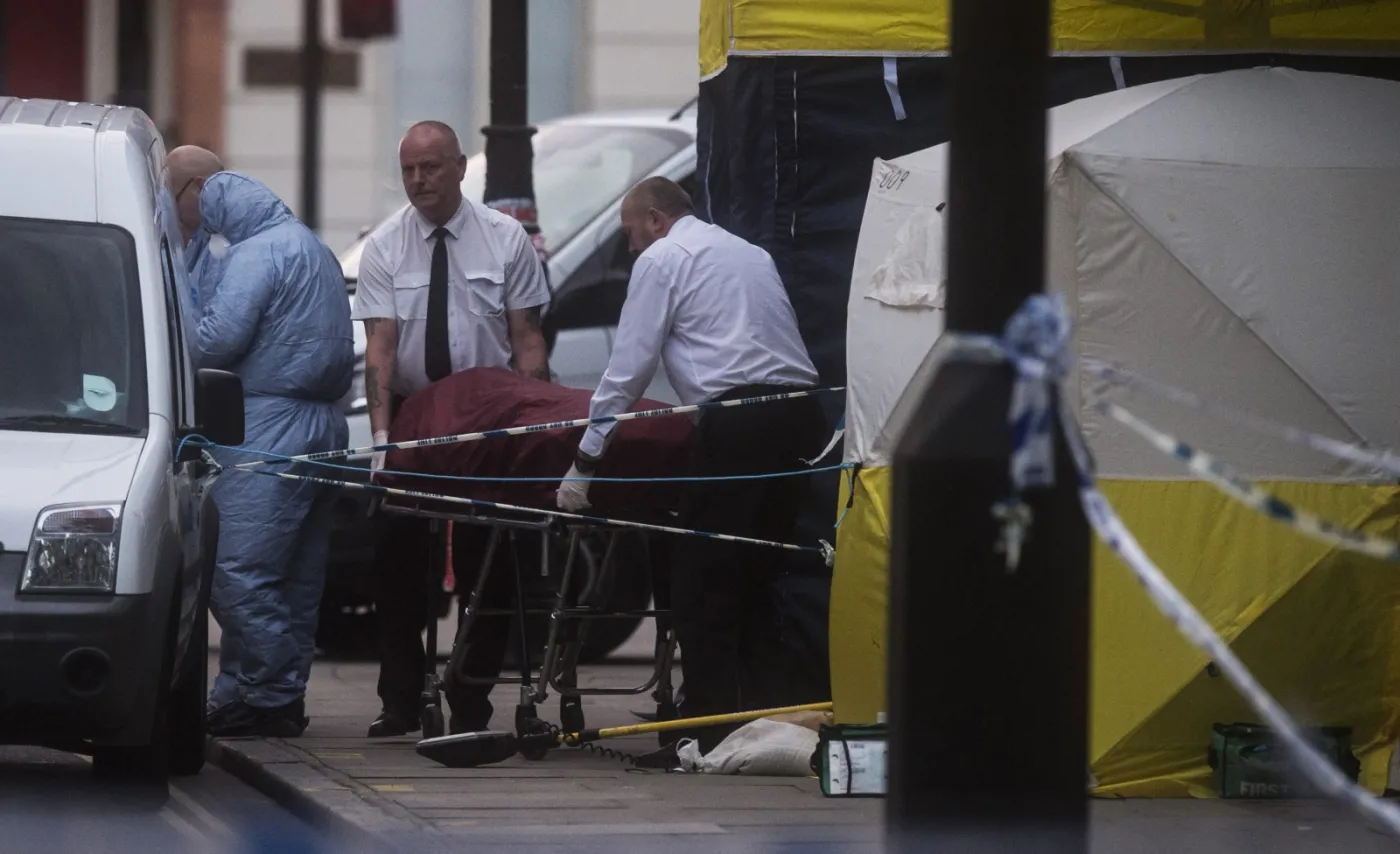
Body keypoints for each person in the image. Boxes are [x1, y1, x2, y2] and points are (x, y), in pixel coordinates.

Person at [555, 177, 826, 756]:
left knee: (701, 586)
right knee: (758, 580)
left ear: (655, 220)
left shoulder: (663, 257)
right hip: (801, 420)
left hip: (740, 426)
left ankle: (703, 737)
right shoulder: (750, 252)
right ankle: (765, 728)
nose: (630, 248)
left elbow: (628, 368)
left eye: (629, 232)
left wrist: (585, 461)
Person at [352, 120, 551, 737]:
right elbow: (380, 351)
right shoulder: (386, 245)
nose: (418, 181)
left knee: (484, 562)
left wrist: (533, 432)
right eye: (409, 169)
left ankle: (469, 700)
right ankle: (400, 699)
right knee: (397, 559)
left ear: (462, 167)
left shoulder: (505, 240)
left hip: (488, 415)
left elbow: (527, 342)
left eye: (431, 168)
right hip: (414, 413)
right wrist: (383, 447)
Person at [181, 170, 355, 737]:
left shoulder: (256, 254)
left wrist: (183, 310)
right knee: (297, 577)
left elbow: (215, 342)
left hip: (266, 425)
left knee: (235, 568)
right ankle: (251, 693)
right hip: (326, 427)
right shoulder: (316, 248)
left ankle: (272, 690)